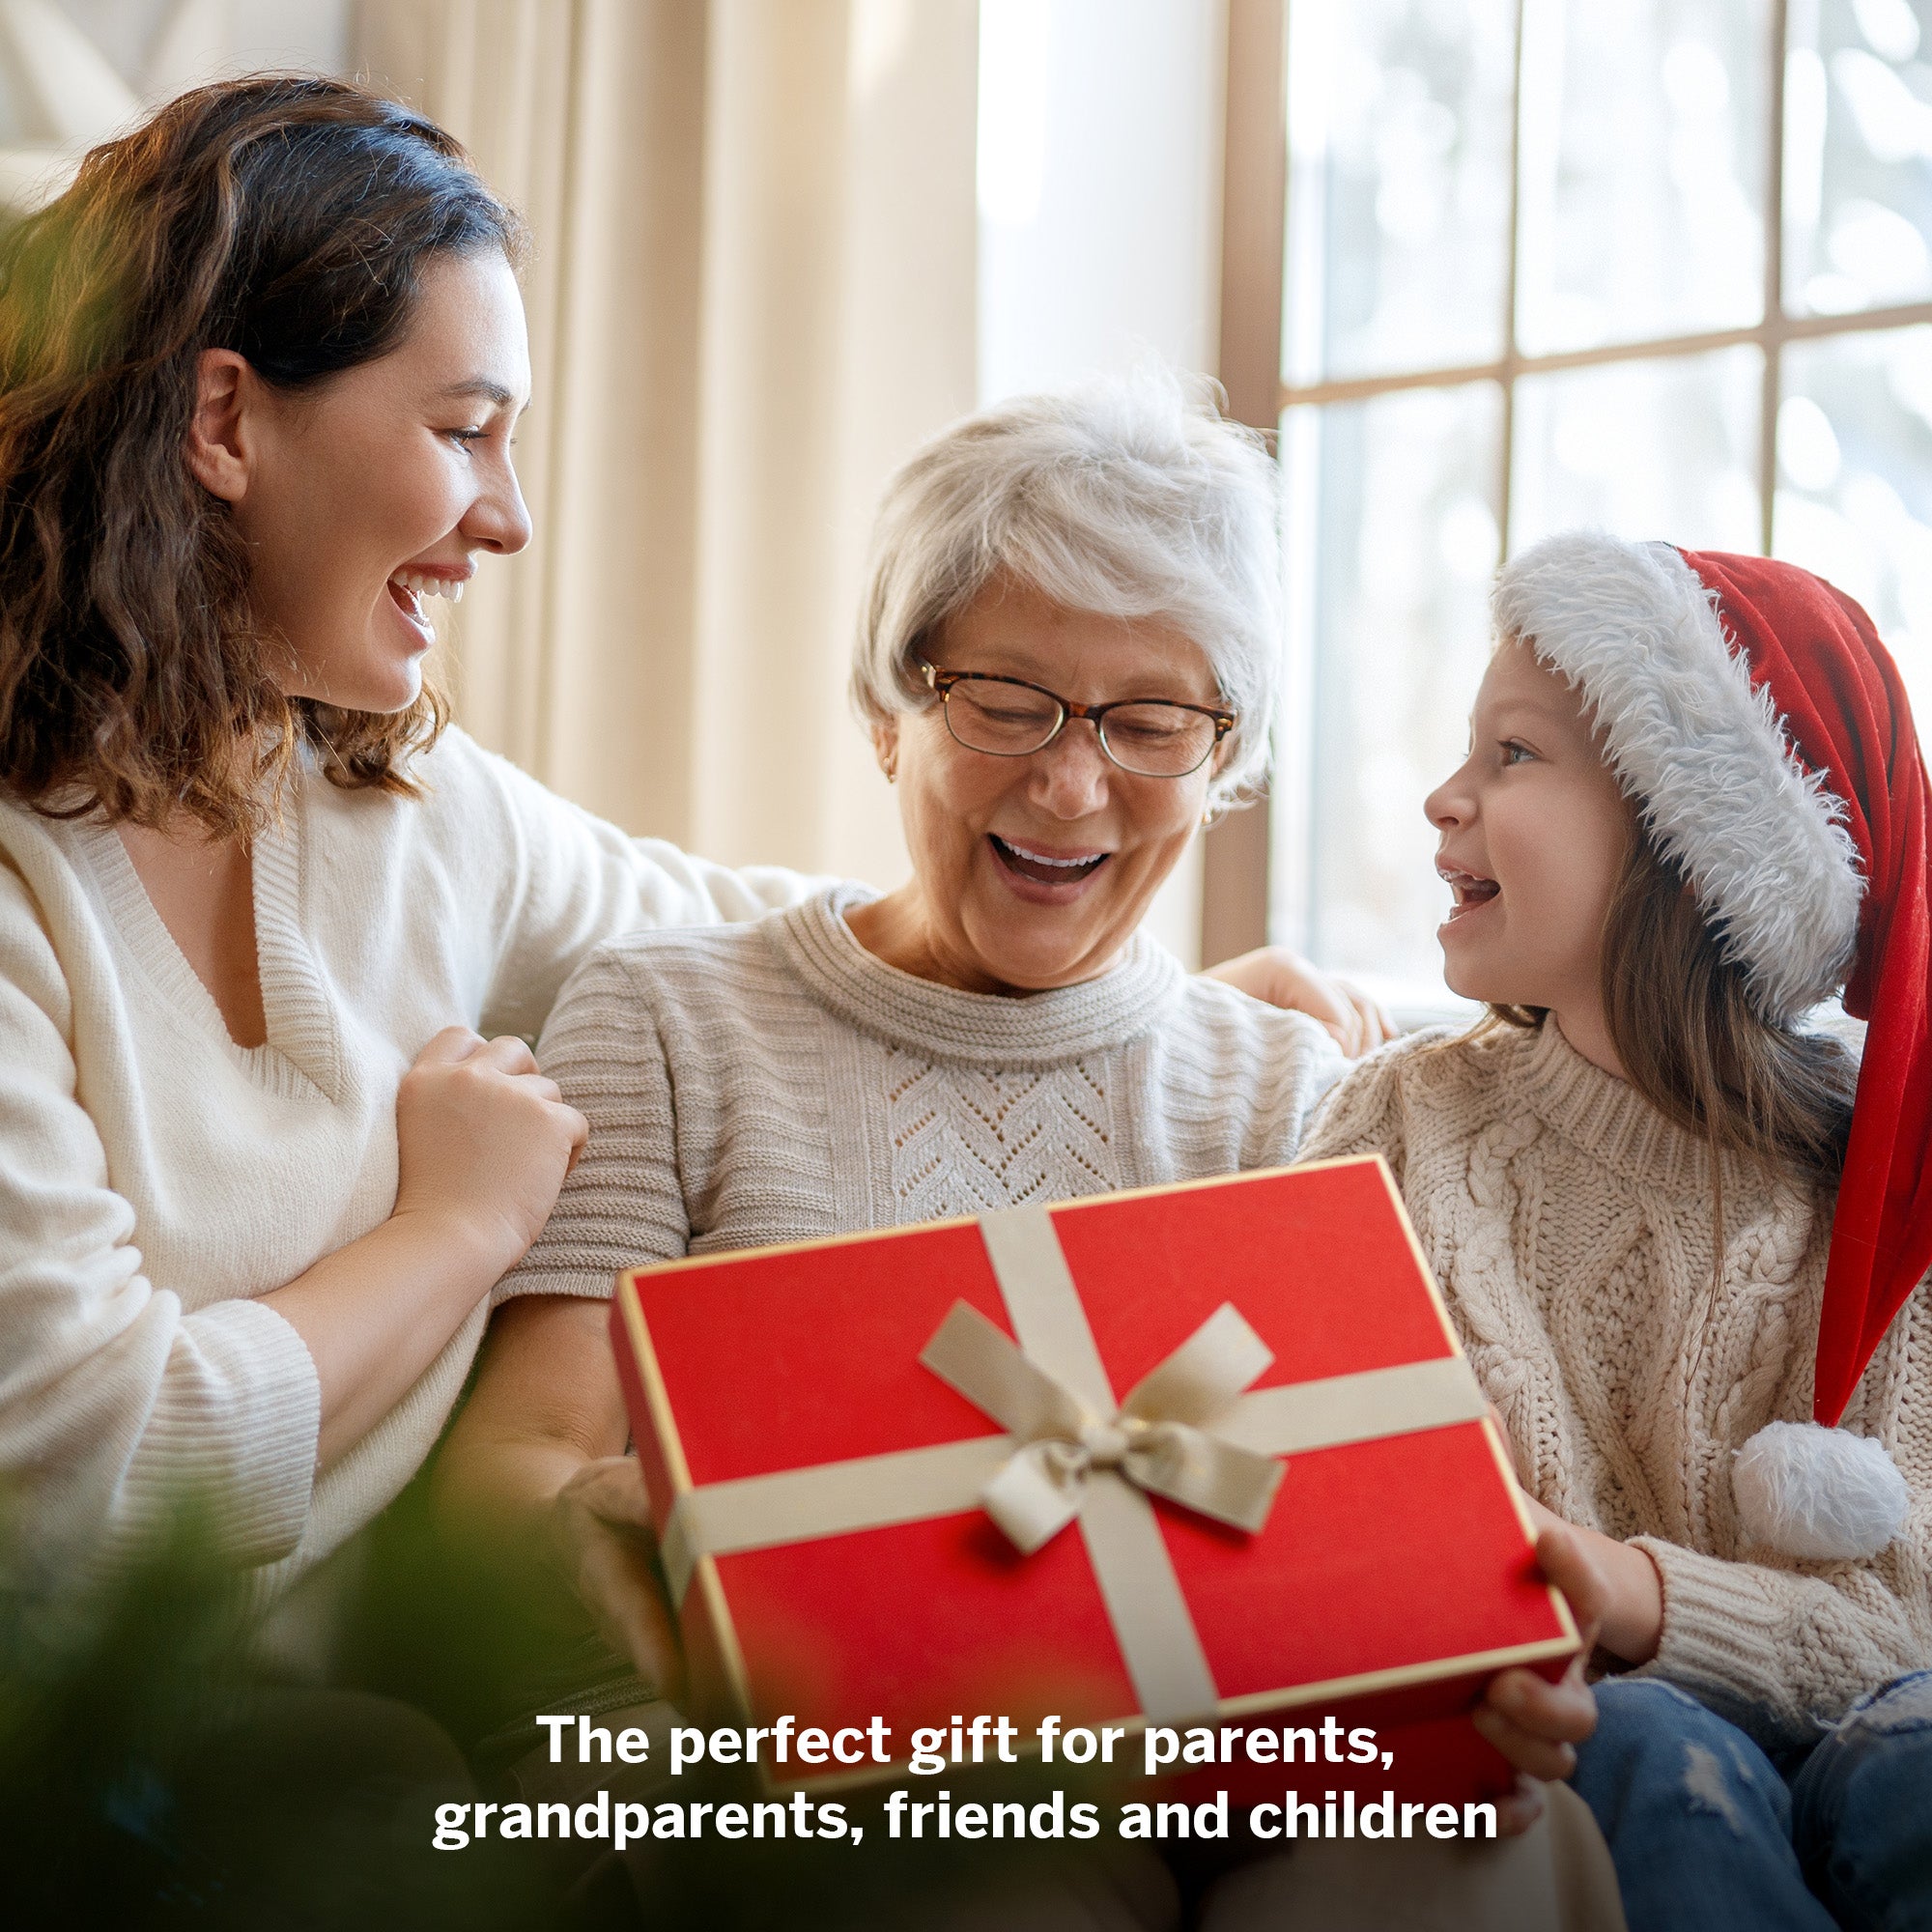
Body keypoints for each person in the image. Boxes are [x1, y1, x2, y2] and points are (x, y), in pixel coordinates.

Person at [435, 377, 1619, 1932]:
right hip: (832, 1783)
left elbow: (1387, 1521)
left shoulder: (1287, 1086)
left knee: (1471, 1862)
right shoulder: (669, 1022)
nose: (1071, 785)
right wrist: (676, 1528)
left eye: (1150, 722)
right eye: (1006, 701)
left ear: (1223, 758)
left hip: (1229, 1771)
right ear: (889, 711)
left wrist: (1492, 1663)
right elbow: (496, 1482)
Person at [1301, 530, 1932, 1932]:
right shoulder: (1394, 1132)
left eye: (1511, 757)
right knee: (1647, 1745)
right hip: (1595, 1744)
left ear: (1686, 836)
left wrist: (1637, 1589)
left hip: (1883, 1737)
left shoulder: (1883, 1198)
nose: (1442, 798)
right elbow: (1336, 1535)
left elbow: (1902, 1632)